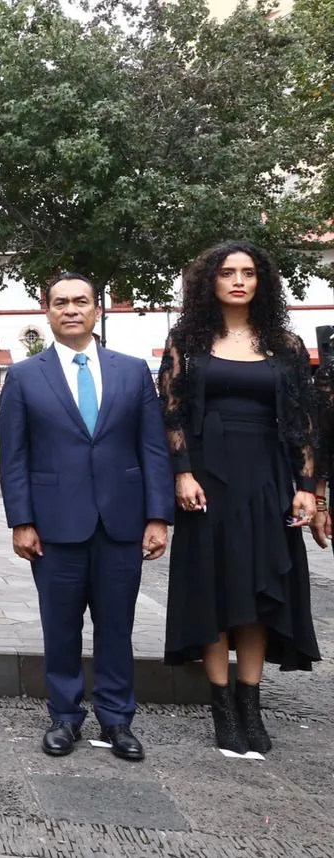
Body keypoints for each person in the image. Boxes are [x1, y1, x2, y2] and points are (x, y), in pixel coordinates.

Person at [0, 274, 173, 761]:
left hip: (123, 522)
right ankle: (65, 717)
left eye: (81, 301)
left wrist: (158, 516)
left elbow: (153, 448)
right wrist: (21, 521)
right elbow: (14, 456)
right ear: (47, 311)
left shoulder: (132, 371)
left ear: (97, 309)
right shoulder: (25, 376)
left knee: (117, 626)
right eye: (60, 303)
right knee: (61, 627)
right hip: (54, 526)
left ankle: (118, 720)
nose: (71, 309)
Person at [159, 241, 322, 754]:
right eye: (227, 272)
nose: (237, 280)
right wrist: (182, 474)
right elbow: (171, 412)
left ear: (261, 282)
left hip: (269, 478)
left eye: (248, 273)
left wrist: (307, 488)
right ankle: (222, 711)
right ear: (209, 281)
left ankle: (252, 706)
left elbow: (304, 422)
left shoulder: (287, 345)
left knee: (257, 594)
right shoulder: (187, 338)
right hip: (207, 481)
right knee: (214, 592)